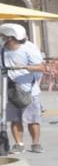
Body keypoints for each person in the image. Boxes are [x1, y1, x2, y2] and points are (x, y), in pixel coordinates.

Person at [2, 22, 45, 153]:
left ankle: (36, 143)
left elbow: (41, 67)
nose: (2, 38)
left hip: (28, 90)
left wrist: (23, 67)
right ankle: (19, 144)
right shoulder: (2, 49)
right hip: (9, 89)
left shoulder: (28, 47)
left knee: (33, 119)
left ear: (10, 37)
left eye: (3, 36)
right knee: (14, 118)